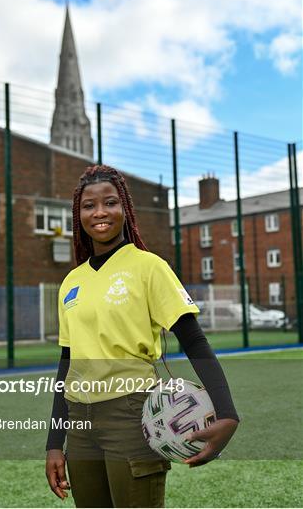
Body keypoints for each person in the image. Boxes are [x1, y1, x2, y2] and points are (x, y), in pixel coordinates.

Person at [46, 165, 239, 508]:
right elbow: (67, 364)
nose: (100, 212)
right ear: (79, 215)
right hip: (79, 424)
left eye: (110, 202)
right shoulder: (70, 282)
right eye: (89, 206)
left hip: (131, 414)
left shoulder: (149, 267)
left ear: (126, 210)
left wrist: (227, 413)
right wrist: (53, 443)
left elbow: (193, 340)